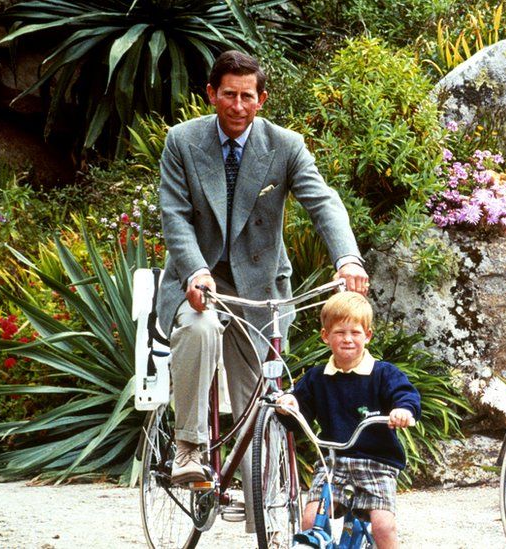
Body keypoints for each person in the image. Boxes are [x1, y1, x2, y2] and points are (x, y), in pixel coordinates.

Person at [156, 50, 368, 521]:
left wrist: (347, 258)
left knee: (259, 395)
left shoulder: (285, 146)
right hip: (199, 279)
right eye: (227, 94)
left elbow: (324, 202)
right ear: (211, 94)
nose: (237, 104)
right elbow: (174, 216)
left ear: (262, 99)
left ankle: (262, 512)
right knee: (199, 328)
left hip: (260, 287)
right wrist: (194, 270)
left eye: (246, 96)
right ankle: (190, 446)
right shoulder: (182, 141)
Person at [276, 291, 421, 549]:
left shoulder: (383, 373)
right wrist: (290, 406)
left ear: (367, 336)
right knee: (311, 519)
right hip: (333, 462)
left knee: (383, 526)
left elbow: (405, 394)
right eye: (340, 332)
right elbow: (301, 409)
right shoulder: (317, 377)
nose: (348, 339)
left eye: (355, 333)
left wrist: (403, 411)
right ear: (325, 336)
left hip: (376, 464)